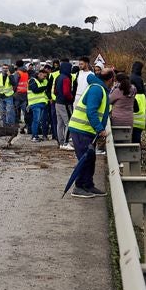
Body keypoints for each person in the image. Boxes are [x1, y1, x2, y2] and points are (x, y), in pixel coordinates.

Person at [65, 67, 110, 197]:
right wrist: (100, 129)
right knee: (84, 159)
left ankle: (88, 185)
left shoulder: (99, 88)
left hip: (86, 130)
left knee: (90, 158)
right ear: (111, 79)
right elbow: (91, 111)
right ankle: (79, 187)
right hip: (81, 129)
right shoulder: (97, 89)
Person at [27, 66, 51, 141]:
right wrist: (45, 87)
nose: (45, 78)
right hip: (35, 103)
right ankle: (34, 136)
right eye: (44, 76)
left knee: (38, 121)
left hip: (42, 103)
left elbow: (46, 92)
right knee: (36, 120)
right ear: (39, 74)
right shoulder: (32, 80)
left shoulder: (44, 81)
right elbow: (35, 90)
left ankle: (36, 135)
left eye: (46, 76)